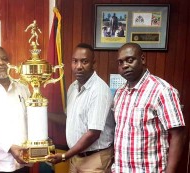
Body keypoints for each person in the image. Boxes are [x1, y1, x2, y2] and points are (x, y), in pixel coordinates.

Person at [112, 42, 185, 173]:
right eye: (120, 62)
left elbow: (178, 134)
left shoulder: (162, 90)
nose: (125, 66)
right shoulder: (120, 93)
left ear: (143, 59)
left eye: (130, 60)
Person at [47, 43, 115, 173]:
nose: (78, 66)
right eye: (75, 61)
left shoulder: (99, 90)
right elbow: (69, 119)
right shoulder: (73, 87)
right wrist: (42, 113)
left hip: (94, 159)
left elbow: (93, 133)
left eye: (84, 62)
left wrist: (64, 156)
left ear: (93, 64)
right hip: (76, 158)